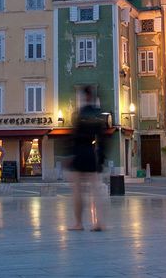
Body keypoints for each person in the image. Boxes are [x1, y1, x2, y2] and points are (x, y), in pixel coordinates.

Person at [69, 86, 108, 231]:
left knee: (77, 190)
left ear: (85, 97)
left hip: (79, 152)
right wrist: (101, 158)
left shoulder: (80, 113)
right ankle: (99, 223)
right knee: (96, 189)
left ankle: (78, 223)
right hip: (91, 153)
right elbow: (102, 138)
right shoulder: (97, 114)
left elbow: (74, 135)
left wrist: (71, 154)